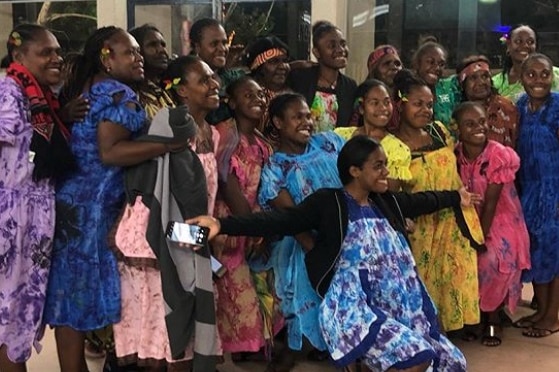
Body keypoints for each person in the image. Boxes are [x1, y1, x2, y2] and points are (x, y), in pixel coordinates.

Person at [188, 135, 472, 372]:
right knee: (417, 358)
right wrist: (221, 224)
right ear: (355, 171)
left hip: (397, 303)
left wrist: (457, 196)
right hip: (352, 306)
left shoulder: (385, 202)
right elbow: (279, 221)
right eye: (378, 165)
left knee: (449, 361)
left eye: (385, 164)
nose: (386, 171)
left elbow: (422, 201)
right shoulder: (329, 203)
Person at [42, 27, 184, 372]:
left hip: (72, 202)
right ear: (107, 56)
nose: (139, 59)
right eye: (131, 52)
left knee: (70, 297)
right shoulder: (117, 94)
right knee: (101, 292)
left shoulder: (88, 89)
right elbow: (111, 151)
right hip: (96, 207)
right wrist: (168, 146)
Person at [113, 55, 222, 370]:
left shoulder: (212, 134)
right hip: (159, 237)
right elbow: (156, 195)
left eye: (214, 77)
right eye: (203, 79)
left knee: (188, 314)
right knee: (163, 330)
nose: (214, 84)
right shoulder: (169, 126)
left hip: (192, 234)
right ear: (183, 91)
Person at [0, 23, 75, 372]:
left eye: (57, 51)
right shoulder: (7, 91)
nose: (56, 58)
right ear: (18, 56)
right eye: (46, 51)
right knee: (10, 315)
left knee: (21, 317)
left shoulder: (44, 99)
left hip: (34, 224)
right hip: (11, 225)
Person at [392, 69, 484, 333]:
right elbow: (396, 196)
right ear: (401, 103)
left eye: (430, 104)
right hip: (422, 226)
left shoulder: (439, 131)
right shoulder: (394, 146)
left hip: (454, 221)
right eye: (418, 104)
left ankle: (445, 338)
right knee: (425, 283)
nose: (425, 110)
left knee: (453, 282)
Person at [257, 93, 345, 361]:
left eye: (308, 116)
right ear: (278, 122)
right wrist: (317, 249)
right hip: (306, 238)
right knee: (307, 274)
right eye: (297, 117)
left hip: (347, 227)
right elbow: (292, 217)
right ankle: (312, 343)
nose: (306, 122)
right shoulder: (276, 167)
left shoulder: (330, 143)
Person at [212, 76, 283, 363]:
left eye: (260, 95)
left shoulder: (263, 143)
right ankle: (238, 350)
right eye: (247, 95)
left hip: (255, 225)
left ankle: (251, 348)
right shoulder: (226, 137)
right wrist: (255, 229)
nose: (257, 99)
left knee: (261, 285)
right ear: (231, 102)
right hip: (232, 226)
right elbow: (227, 185)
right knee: (236, 292)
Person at [454, 101, 530, 346]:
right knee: (456, 257)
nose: (478, 127)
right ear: (458, 129)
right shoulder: (454, 155)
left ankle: (493, 318)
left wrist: (479, 238)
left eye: (482, 122)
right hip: (470, 218)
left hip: (501, 220)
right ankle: (473, 315)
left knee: (488, 259)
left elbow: (491, 204)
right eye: (470, 124)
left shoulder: (498, 154)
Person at [515, 53, 559, 338]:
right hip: (529, 191)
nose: (539, 80)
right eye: (532, 74)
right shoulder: (519, 106)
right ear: (522, 77)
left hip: (554, 191)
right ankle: (541, 310)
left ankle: (552, 316)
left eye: (545, 74)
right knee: (536, 252)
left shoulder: (558, 107)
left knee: (555, 255)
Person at [335, 79, 411, 192]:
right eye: (375, 103)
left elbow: (387, 194)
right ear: (361, 108)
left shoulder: (398, 150)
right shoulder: (339, 136)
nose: (383, 108)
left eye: (387, 102)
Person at [288, 21, 357, 131]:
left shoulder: (350, 86)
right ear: (316, 52)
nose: (340, 50)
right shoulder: (300, 79)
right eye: (332, 46)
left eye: (343, 44)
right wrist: (293, 65)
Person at [190, 18, 244, 126]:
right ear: (197, 47)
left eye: (224, 43)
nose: (222, 49)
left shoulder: (233, 79)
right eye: (214, 44)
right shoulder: (185, 80)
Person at [456, 55, 519, 147]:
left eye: (485, 76)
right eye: (473, 78)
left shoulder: (507, 107)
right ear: (463, 84)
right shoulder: (456, 111)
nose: (481, 82)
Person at [492, 24, 559, 103]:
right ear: (508, 45)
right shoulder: (495, 83)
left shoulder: (555, 74)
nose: (525, 45)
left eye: (530, 42)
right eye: (518, 41)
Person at [244, 35, 291, 135]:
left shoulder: (294, 93)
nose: (282, 66)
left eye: (285, 61)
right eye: (274, 61)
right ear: (259, 68)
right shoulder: (250, 100)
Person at [411, 41, 461, 130]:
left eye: (441, 64)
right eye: (430, 62)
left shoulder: (449, 89)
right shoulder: (406, 91)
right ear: (417, 63)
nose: (437, 67)